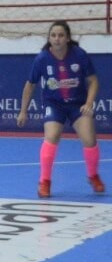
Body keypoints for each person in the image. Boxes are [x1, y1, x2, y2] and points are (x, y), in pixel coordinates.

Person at [16, 20, 103, 197]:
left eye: (61, 35)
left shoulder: (79, 55)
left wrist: (88, 103)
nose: (57, 39)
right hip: (54, 104)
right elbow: (30, 85)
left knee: (89, 139)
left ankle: (93, 176)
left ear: (68, 38)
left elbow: (93, 81)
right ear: (49, 38)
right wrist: (23, 111)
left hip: (77, 104)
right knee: (52, 135)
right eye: (53, 35)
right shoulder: (42, 59)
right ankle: (45, 181)